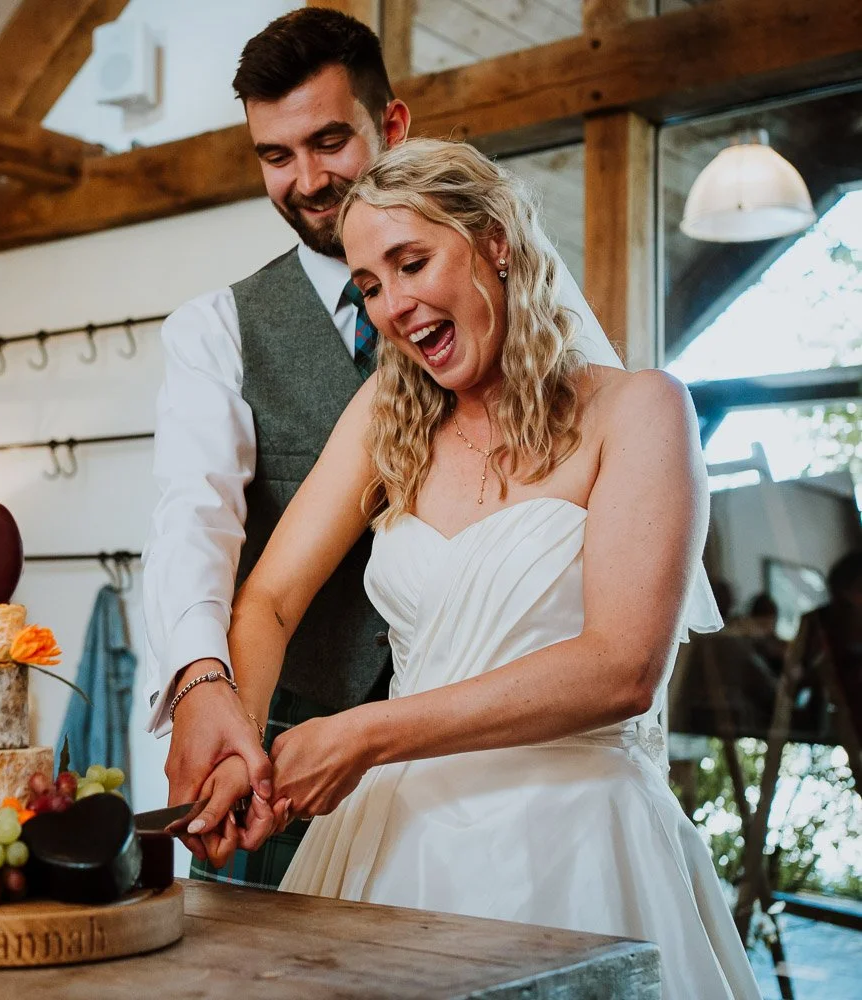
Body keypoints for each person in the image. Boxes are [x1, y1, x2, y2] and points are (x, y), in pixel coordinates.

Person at [223, 137, 759, 999]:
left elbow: (620, 667)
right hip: (389, 841)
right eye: (369, 284)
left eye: (411, 262)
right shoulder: (383, 416)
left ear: (495, 242)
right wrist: (240, 747)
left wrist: (363, 734)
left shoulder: (641, 410)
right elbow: (272, 600)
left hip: (577, 843)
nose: (392, 305)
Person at [140, 6, 620, 886]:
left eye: (328, 141)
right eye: (275, 156)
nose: (308, 180)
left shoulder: (573, 351)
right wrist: (209, 688)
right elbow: (192, 521)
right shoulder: (218, 331)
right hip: (299, 774)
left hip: (546, 791)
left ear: (391, 125)